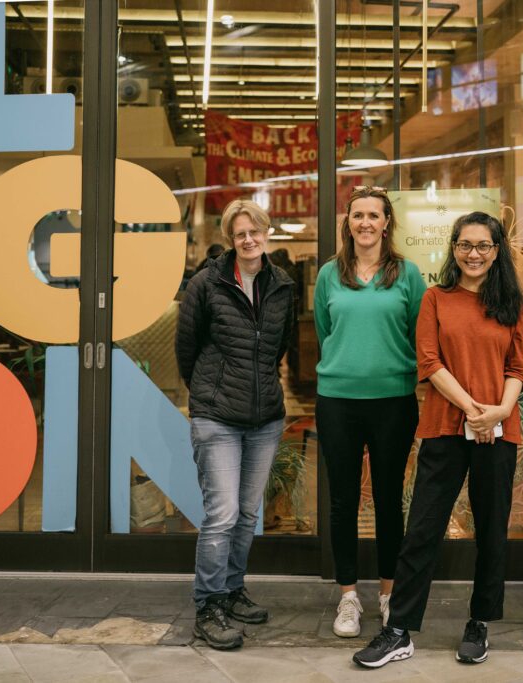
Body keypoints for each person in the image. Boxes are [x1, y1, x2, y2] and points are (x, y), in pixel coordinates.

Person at [352, 211, 523, 669]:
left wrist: (502, 412)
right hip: (447, 428)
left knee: (492, 531)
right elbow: (428, 363)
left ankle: (480, 623)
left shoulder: (513, 303)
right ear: (454, 250)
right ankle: (399, 630)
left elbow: (519, 369)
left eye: (483, 246)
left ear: (496, 251)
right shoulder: (436, 298)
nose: (473, 254)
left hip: (498, 431)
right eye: (465, 245)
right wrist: (474, 409)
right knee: (423, 530)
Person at [175, 199, 295, 650]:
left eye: (255, 231)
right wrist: (209, 391)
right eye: (240, 233)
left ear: (267, 232)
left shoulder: (282, 284)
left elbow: (279, 346)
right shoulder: (206, 283)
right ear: (231, 238)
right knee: (222, 514)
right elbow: (187, 348)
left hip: (264, 418)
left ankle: (232, 589)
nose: (249, 239)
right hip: (217, 416)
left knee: (247, 514)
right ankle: (208, 606)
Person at [314, 186, 427, 637]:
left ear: (386, 223)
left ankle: (387, 591)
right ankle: (347, 598)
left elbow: (421, 334)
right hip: (338, 401)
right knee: (342, 502)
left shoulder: (408, 274)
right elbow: (325, 332)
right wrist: (347, 368)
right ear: (349, 223)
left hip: (393, 402)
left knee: (386, 500)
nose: (364, 223)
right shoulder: (329, 275)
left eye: (373, 215)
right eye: (357, 215)